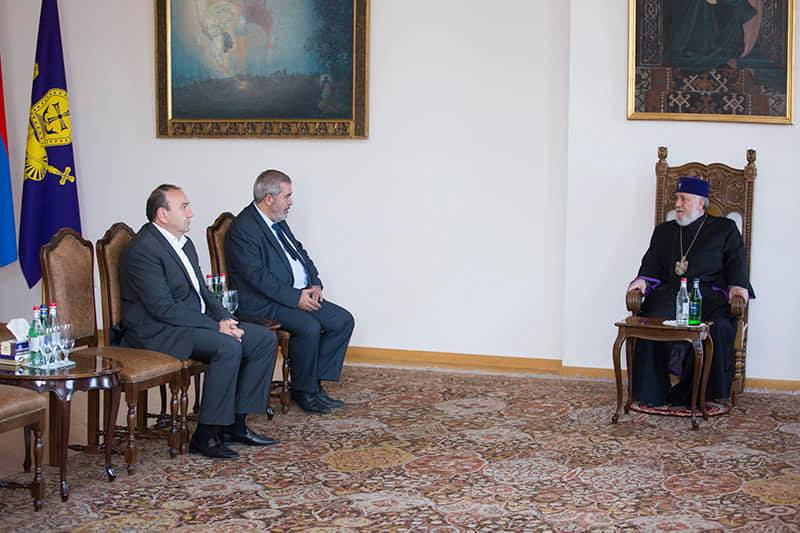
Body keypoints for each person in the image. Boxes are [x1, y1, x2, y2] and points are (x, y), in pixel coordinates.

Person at [119, 184, 278, 459]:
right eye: (184, 207)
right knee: (227, 347)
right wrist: (216, 326)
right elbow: (162, 308)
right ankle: (206, 435)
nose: (191, 213)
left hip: (192, 323)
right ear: (162, 215)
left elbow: (203, 292)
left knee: (263, 339)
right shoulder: (143, 250)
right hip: (158, 331)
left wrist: (226, 318)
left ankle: (235, 424)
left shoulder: (184, 243)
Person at [225, 169, 355, 414]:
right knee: (309, 327)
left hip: (294, 293)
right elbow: (257, 277)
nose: (291, 201)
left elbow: (299, 252)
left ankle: (313, 383)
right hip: (262, 302)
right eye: (287, 196)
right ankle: (304, 391)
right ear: (269, 198)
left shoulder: (277, 221)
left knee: (342, 321)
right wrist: (296, 299)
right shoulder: (244, 229)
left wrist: (315, 282)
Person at [627, 176, 754, 407]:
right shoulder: (664, 232)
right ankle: (651, 392)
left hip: (707, 295)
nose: (677, 204)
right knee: (649, 321)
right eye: (677, 198)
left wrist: (738, 286)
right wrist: (642, 281)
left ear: (700, 203)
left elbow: (736, 261)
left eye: (683, 199)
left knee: (720, 326)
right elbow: (652, 264)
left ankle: (700, 393)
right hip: (671, 293)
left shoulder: (725, 229)